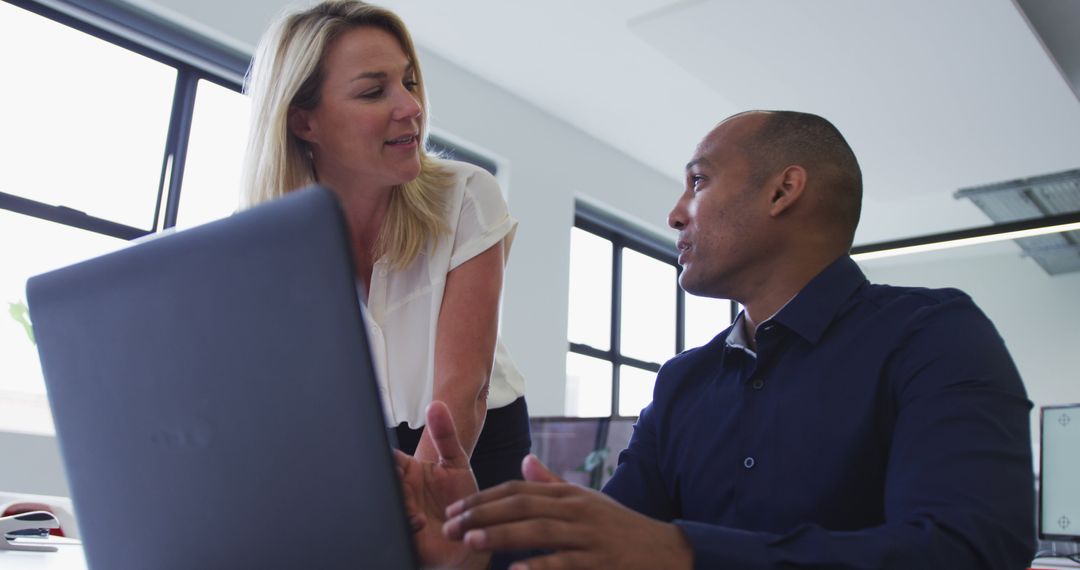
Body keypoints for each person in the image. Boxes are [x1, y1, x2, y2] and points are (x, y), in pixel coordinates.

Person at [401, 110, 1037, 569]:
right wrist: (476, 546)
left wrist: (685, 552)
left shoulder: (933, 336)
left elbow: (971, 550)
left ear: (783, 191)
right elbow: (612, 545)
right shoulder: (684, 382)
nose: (675, 213)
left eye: (698, 181)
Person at [240, 0, 530, 497]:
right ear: (303, 123)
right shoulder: (264, 249)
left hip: (473, 443)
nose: (412, 107)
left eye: (410, 82)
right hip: (358, 450)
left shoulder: (466, 195)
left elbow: (464, 388)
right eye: (375, 91)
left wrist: (418, 502)